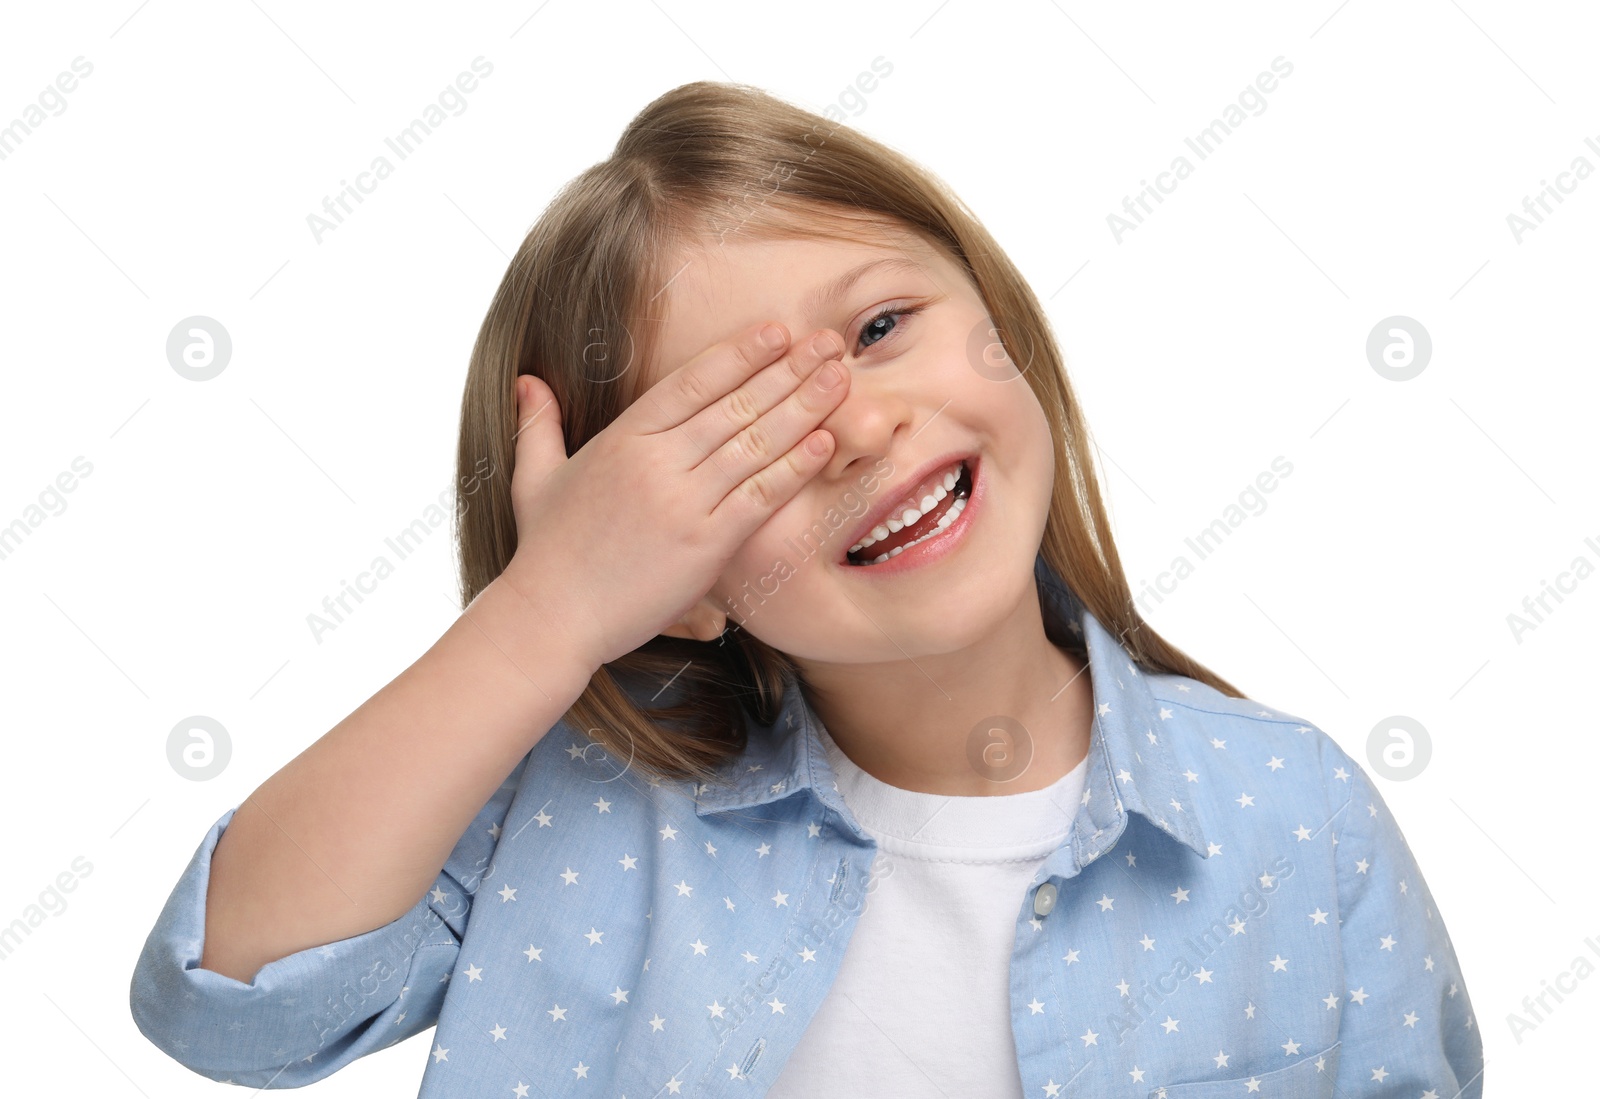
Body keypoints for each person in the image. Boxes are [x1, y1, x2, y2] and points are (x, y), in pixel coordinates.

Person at [129, 80, 1484, 1097]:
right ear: (672, 575)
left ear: (1000, 322)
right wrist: (549, 611)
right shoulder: (575, 811)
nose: (854, 431)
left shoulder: (1293, 818)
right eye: (743, 439)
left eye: (880, 330)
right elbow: (229, 998)